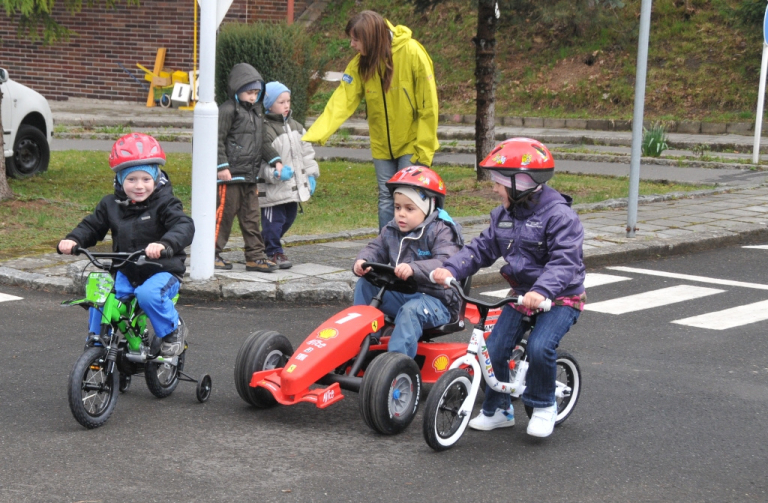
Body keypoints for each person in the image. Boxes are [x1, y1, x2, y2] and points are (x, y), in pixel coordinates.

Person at [431, 138, 586, 438]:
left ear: (524, 182)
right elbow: (480, 250)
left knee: (541, 346)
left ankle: (543, 406)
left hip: (562, 297)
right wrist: (450, 269)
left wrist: (542, 291)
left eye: (500, 182)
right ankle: (499, 409)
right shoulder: (503, 216)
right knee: (495, 346)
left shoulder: (559, 216)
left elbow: (564, 262)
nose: (495, 188)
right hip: (522, 294)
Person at [57, 133, 195, 357]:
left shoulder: (165, 203)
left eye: (146, 179)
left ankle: (173, 330)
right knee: (99, 293)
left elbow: (183, 225)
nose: (139, 186)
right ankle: (98, 340)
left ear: (156, 179)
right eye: (131, 179)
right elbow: (92, 226)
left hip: (162, 270)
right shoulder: (110, 205)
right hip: (127, 269)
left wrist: (164, 244)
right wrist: (74, 239)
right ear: (120, 180)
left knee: (147, 295)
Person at [303, 10, 439, 231]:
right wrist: (314, 134)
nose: (352, 45)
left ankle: (414, 253)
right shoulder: (360, 64)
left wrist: (424, 149)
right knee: (386, 198)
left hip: (412, 144)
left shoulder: (412, 52)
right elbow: (342, 100)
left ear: (371, 38)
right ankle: (386, 253)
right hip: (381, 146)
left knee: (409, 197)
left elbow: (429, 107)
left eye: (356, 39)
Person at [353, 166, 463, 358]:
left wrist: (414, 269)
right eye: (397, 207)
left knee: (410, 311)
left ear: (429, 207)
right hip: (404, 292)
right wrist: (362, 261)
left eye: (409, 208)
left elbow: (446, 261)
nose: (401, 214)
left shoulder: (442, 230)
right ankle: (365, 341)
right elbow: (376, 248)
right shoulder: (392, 229)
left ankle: (395, 364)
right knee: (365, 285)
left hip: (438, 302)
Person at [216, 62, 289, 273]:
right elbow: (217, 139)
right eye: (249, 92)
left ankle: (255, 257)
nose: (253, 97)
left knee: (252, 218)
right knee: (223, 217)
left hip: (250, 176)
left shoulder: (257, 113)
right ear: (237, 90)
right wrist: (222, 166)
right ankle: (211, 253)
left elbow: (262, 142)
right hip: (230, 176)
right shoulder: (227, 110)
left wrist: (274, 158)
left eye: (257, 92)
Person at [259, 81, 321, 269]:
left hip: (292, 188)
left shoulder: (296, 126)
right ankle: (274, 251)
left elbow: (307, 154)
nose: (286, 106)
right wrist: (274, 174)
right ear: (268, 104)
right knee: (274, 222)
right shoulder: (264, 130)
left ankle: (262, 244)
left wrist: (310, 175)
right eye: (281, 102)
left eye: (288, 101)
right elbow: (258, 163)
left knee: (289, 217)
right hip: (272, 191)